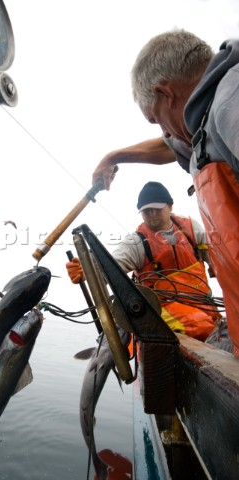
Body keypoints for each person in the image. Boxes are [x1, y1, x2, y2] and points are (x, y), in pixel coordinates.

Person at [91, 29, 239, 355]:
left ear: (165, 94)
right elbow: (168, 147)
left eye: (156, 119)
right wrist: (114, 157)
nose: (166, 132)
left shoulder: (231, 102)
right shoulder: (203, 130)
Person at [66, 181, 227, 344]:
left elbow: (220, 262)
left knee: (225, 328)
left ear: (170, 206)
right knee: (199, 325)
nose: (151, 213)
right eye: (145, 211)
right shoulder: (136, 242)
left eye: (156, 208)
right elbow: (108, 269)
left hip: (204, 305)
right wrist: (86, 271)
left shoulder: (192, 228)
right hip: (162, 311)